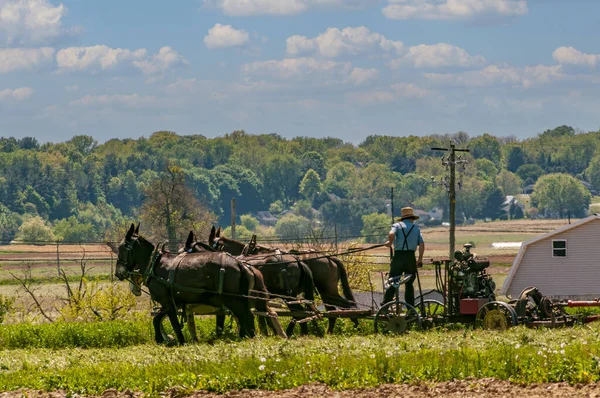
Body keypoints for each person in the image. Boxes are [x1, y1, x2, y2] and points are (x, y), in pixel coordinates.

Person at [382, 207, 425, 307]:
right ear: (412, 218)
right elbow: (422, 244)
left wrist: (390, 242)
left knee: (393, 281)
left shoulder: (397, 225)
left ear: (403, 218)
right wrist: (420, 259)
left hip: (399, 257)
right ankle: (410, 307)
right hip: (410, 257)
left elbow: (391, 233)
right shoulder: (416, 228)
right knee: (409, 284)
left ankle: (386, 304)